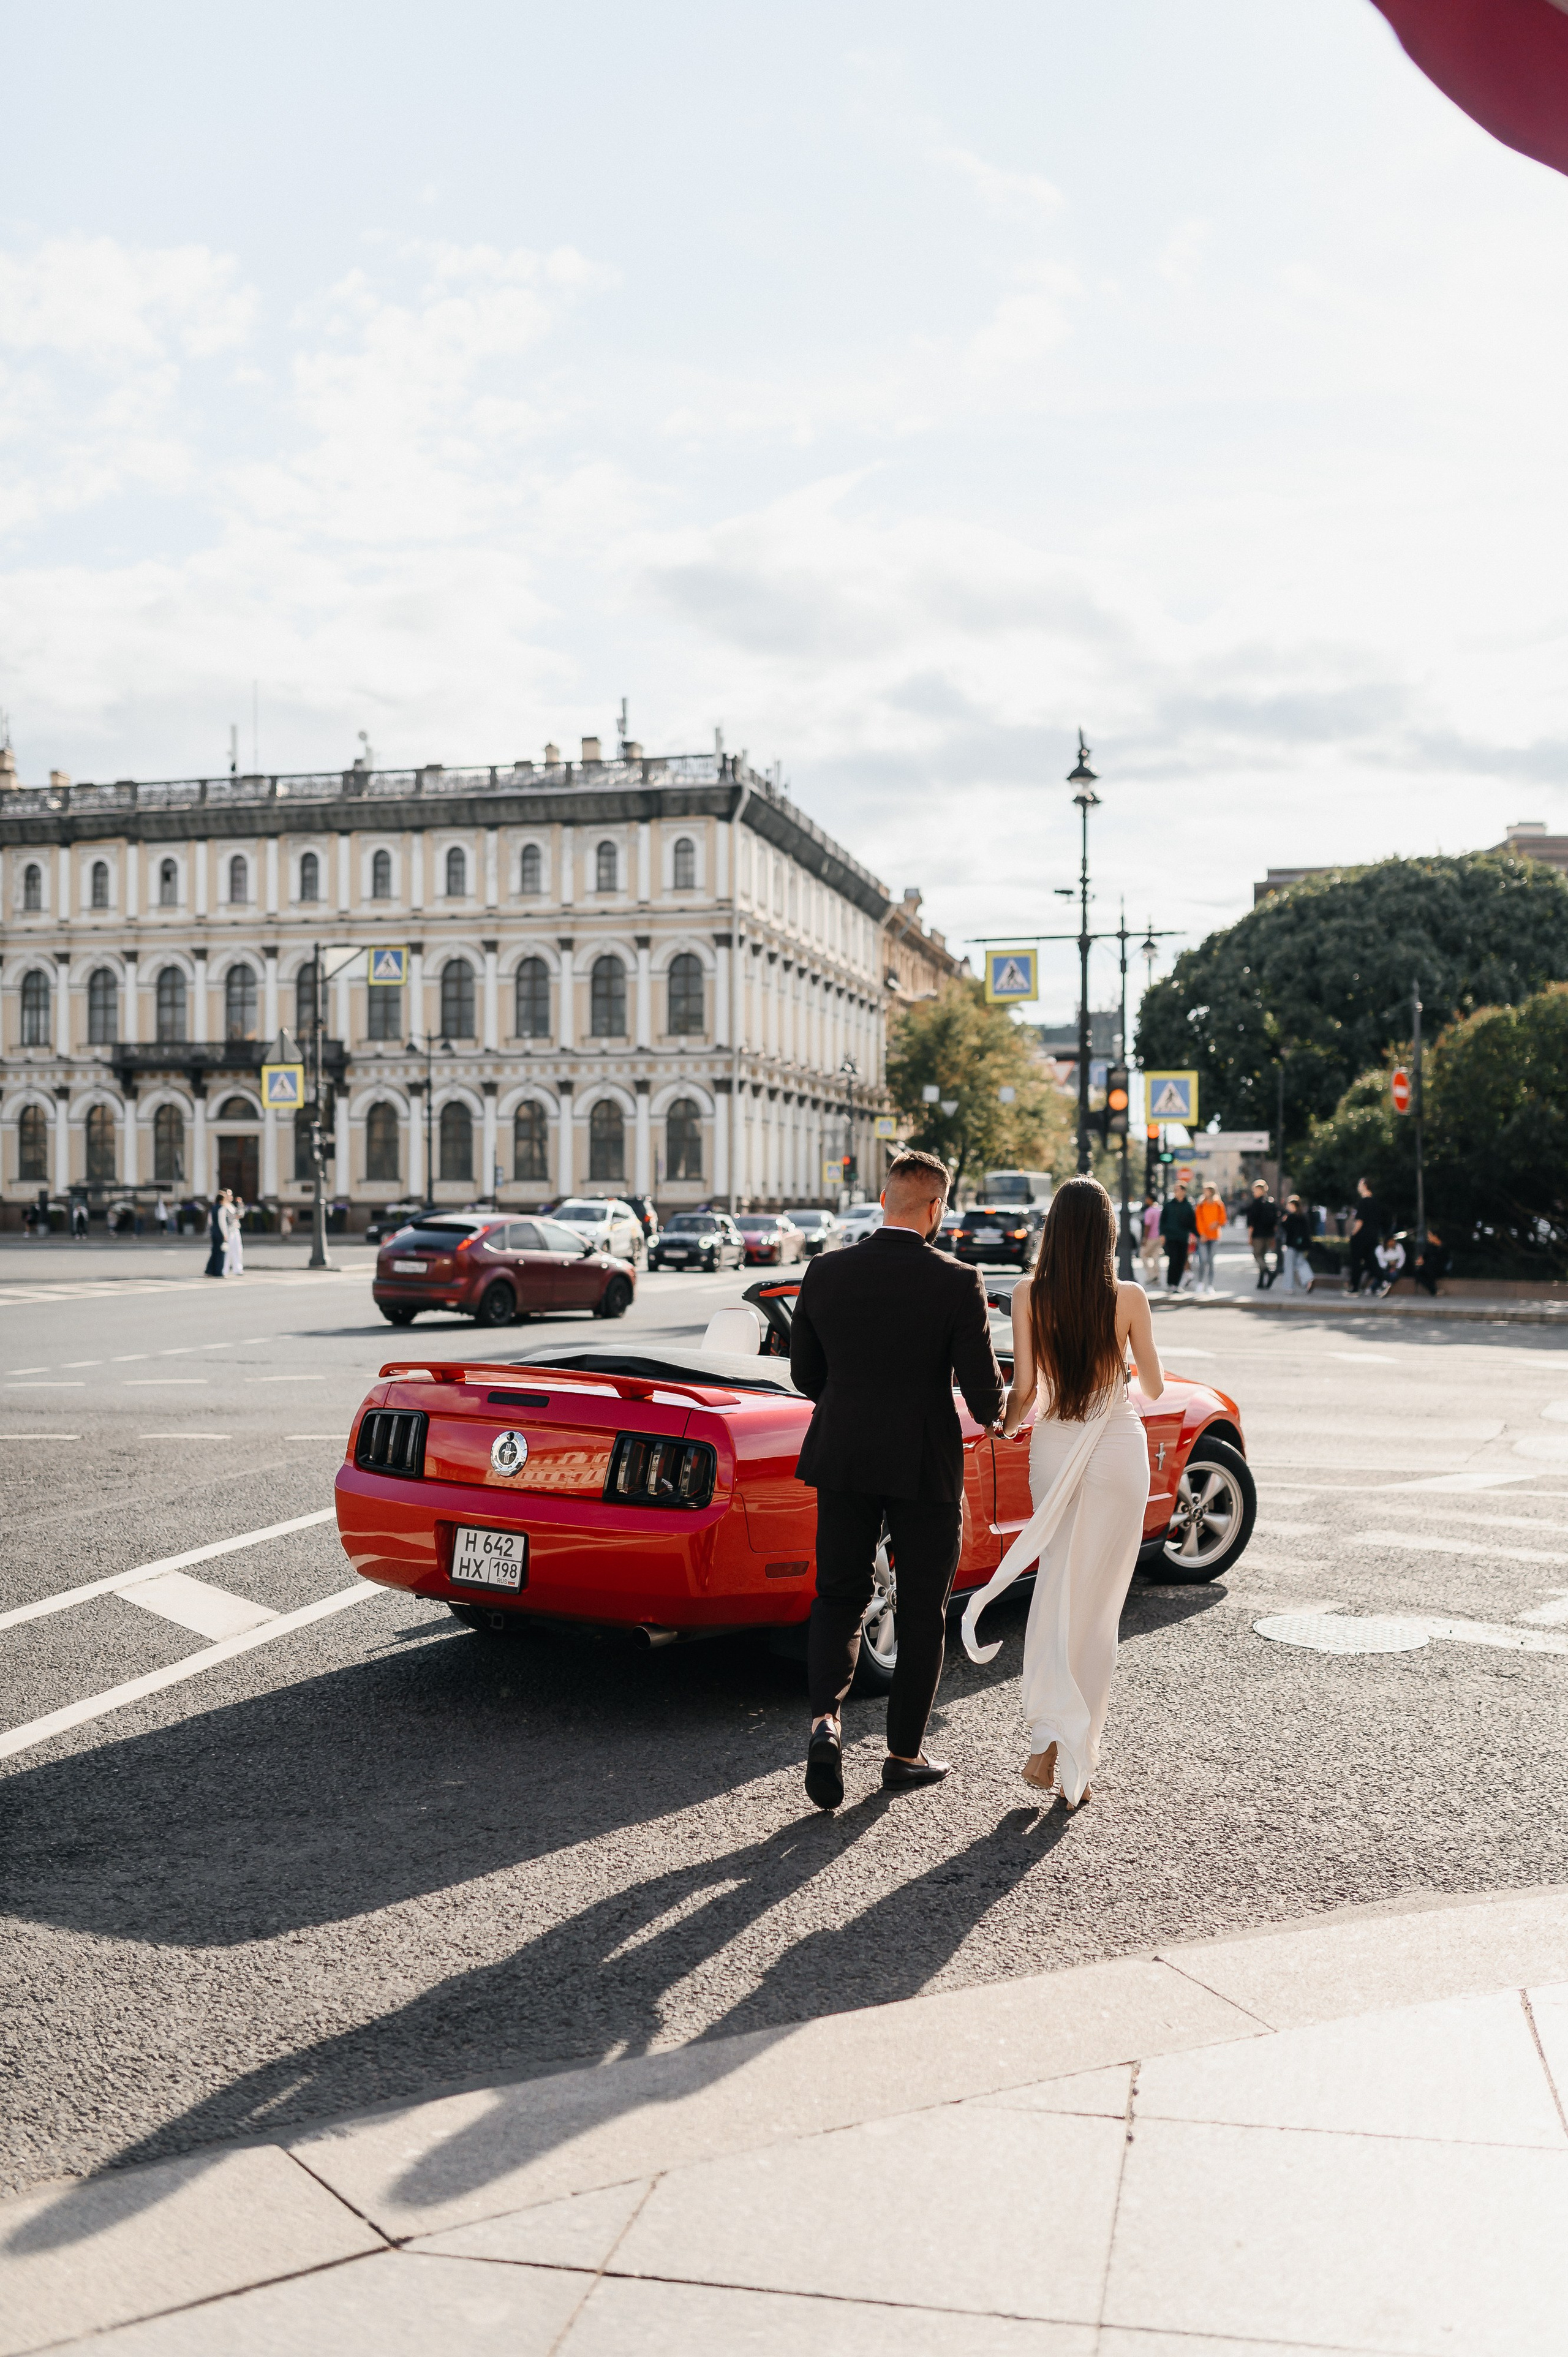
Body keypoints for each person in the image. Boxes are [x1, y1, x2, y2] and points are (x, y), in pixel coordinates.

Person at [790, 1147, 1004, 1809]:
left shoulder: (824, 1271)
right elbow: (982, 1393)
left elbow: (806, 1377)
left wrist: (853, 1399)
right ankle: (902, 1754)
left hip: (845, 1454)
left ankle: (826, 1720)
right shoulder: (957, 1279)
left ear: (885, 1199)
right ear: (936, 1207)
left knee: (838, 1594)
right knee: (921, 1609)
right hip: (922, 1462)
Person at [961, 1176, 1162, 1808]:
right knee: (1098, 1610)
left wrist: (1005, 1422)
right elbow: (1153, 1387)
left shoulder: (1027, 1293)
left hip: (1053, 1445)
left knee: (1053, 1592)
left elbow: (1022, 1392)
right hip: (1116, 1448)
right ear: (1105, 1231)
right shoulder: (1128, 1296)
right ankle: (1076, 1753)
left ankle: (1048, 1736)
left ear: (1054, 1227)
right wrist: (1123, 1362)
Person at [1158, 1182, 1197, 1291]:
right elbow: (1163, 1221)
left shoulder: (1188, 1206)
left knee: (1181, 1260)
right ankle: (1171, 1283)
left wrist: (1196, 1235)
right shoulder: (1169, 1205)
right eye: (1175, 1190)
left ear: (1184, 1191)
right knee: (1173, 1259)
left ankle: (1177, 1284)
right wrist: (1162, 1234)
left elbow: (1192, 1223)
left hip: (1183, 1237)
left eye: (1178, 1190)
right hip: (1171, 1237)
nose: (1176, 1192)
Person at [1348, 1177, 1381, 1295]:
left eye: (1360, 1184)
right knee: (1371, 1261)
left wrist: (1353, 1234)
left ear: (1365, 1186)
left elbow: (1359, 1222)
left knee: (1356, 1261)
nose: (1358, 1187)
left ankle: (1355, 1288)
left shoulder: (1363, 1203)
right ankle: (1384, 1280)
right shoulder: (1375, 1202)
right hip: (1373, 1236)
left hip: (1361, 1237)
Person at [1245, 1180, 1279, 1288]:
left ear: (1260, 1190)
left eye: (1255, 1190)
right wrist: (1273, 1236)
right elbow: (1276, 1222)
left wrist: (1250, 1237)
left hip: (1258, 1235)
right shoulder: (1271, 1203)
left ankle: (1270, 1273)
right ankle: (1261, 1283)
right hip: (1269, 1235)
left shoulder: (1256, 1203)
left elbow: (1251, 1222)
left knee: (1257, 1256)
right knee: (1262, 1257)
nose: (1254, 1193)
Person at [1193, 1183, 1225, 1295]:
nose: (1204, 1192)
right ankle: (1200, 1283)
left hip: (1215, 1237)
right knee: (1203, 1260)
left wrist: (1217, 1223)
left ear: (1212, 1191)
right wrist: (1202, 1234)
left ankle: (1210, 1285)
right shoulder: (1201, 1205)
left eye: (1206, 1190)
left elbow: (1223, 1219)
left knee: (1211, 1261)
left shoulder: (1219, 1204)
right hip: (1203, 1237)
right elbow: (1199, 1221)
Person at [1279, 1194, 1314, 1293]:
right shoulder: (1303, 1217)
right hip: (1302, 1245)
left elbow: (1287, 1229)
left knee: (1289, 1265)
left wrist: (1283, 1222)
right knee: (1301, 1262)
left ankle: (1289, 1287)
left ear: (1293, 1205)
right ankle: (1309, 1278)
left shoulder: (1290, 1217)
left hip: (1291, 1244)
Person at [1413, 1225, 1450, 1297]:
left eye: (1430, 1235)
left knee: (1429, 1268)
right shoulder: (1430, 1246)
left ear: (1435, 1236)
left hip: (1440, 1268)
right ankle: (1434, 1290)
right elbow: (1425, 1256)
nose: (1428, 1237)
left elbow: (1443, 1260)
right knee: (1418, 1272)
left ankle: (1434, 1291)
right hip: (1429, 1267)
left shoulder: (1443, 1247)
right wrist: (1421, 1260)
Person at [1138, 1194, 1162, 1286]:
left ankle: (1151, 1275)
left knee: (1143, 1255)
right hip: (1159, 1237)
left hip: (1151, 1237)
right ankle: (1156, 1276)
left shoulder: (1149, 1211)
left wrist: (1145, 1238)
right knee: (1156, 1257)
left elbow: (1147, 1226)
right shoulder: (1159, 1210)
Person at [222, 1193, 246, 1277]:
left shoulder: (231, 1206)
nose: (231, 1196)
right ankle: (225, 1270)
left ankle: (238, 1269)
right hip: (229, 1231)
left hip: (236, 1229)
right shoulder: (224, 1207)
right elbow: (233, 1217)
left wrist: (240, 1205)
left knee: (238, 1249)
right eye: (229, 1195)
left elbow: (240, 1215)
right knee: (228, 1251)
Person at [205, 1191, 228, 1278]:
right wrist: (226, 1234)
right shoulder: (222, 1208)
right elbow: (222, 1222)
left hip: (214, 1231)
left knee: (214, 1251)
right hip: (220, 1232)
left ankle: (210, 1270)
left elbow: (210, 1221)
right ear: (222, 1200)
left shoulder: (213, 1208)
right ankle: (218, 1271)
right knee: (220, 1252)